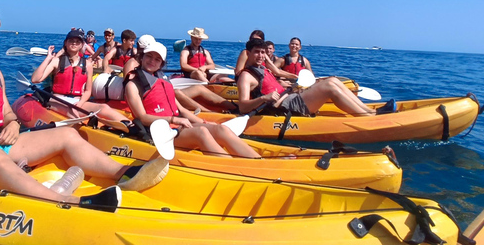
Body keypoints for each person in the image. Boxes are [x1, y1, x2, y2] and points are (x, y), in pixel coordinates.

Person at [0, 7, 168, 212]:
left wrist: (11, 124)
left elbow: (8, 113)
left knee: (67, 135)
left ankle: (126, 174)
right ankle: (69, 201)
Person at [124, 41, 261, 158]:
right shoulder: (133, 85)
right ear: (141, 57)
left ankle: (257, 161)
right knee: (201, 133)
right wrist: (173, 120)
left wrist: (204, 122)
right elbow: (142, 117)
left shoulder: (163, 83)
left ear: (161, 64)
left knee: (221, 130)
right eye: (149, 56)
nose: (152, 61)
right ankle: (233, 167)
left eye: (157, 59)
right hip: (159, 132)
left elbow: (181, 110)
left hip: (176, 127)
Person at [236, 38, 396, 117]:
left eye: (263, 52)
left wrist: (284, 84)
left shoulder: (263, 67)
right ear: (248, 53)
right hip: (285, 107)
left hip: (291, 95)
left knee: (332, 80)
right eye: (257, 52)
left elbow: (272, 81)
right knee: (329, 87)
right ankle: (368, 116)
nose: (261, 55)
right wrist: (264, 98)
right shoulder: (246, 76)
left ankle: (369, 111)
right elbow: (243, 107)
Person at [32, 29, 128, 121]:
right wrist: (48, 58)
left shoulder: (88, 65)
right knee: (71, 113)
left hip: (77, 101)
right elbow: (35, 79)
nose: (74, 43)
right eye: (71, 41)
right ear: (66, 43)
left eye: (77, 41)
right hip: (57, 100)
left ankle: (131, 125)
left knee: (104, 107)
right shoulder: (57, 61)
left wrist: (81, 103)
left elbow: (88, 91)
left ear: (82, 45)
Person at [225, 30, 295, 84]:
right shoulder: (246, 53)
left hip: (262, 79)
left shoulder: (264, 55)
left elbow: (276, 71)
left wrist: (294, 76)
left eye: (258, 40)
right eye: (252, 39)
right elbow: (238, 72)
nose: (255, 42)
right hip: (251, 81)